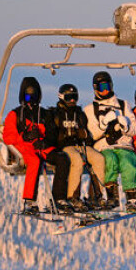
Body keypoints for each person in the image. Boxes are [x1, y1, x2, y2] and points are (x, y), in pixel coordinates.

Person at [1, 76, 70, 215]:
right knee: (35, 162)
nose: (31, 101)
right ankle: (29, 201)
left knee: (62, 158)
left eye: (34, 96)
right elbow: (8, 137)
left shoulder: (44, 114)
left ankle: (59, 199)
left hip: (42, 147)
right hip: (25, 148)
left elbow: (52, 133)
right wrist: (24, 136)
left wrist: (45, 141)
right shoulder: (16, 114)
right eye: (28, 97)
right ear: (22, 97)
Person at [84, 71, 136, 213]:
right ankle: (112, 196)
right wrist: (103, 126)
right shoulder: (90, 109)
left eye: (107, 86)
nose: (105, 91)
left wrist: (126, 126)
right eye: (101, 87)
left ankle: (132, 198)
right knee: (109, 160)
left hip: (124, 145)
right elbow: (91, 133)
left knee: (127, 162)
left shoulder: (123, 105)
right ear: (95, 88)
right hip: (104, 146)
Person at [52, 83, 104, 212]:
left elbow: (87, 135)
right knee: (76, 160)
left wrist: (84, 134)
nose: (72, 100)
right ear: (62, 97)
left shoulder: (79, 114)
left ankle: (95, 197)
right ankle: (72, 197)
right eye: (69, 97)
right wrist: (62, 137)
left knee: (99, 158)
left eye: (74, 97)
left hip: (80, 145)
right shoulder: (56, 114)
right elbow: (52, 134)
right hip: (65, 147)